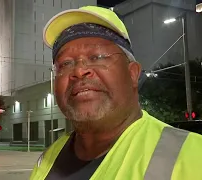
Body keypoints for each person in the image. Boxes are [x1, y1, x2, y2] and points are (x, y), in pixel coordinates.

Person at [30, 6, 202, 180]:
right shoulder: (49, 158)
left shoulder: (193, 156)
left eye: (97, 57)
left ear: (133, 74)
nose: (79, 70)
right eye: (65, 64)